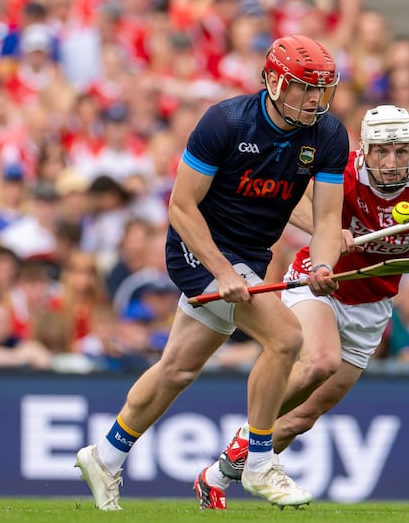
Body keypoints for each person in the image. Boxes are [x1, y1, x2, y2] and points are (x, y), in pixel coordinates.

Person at [74, 34, 347, 511]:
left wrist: (323, 263)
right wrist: (222, 271)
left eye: (321, 89)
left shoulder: (327, 135)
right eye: (305, 88)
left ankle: (105, 455)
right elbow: (181, 206)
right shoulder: (226, 121)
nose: (315, 99)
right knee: (286, 338)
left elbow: (325, 219)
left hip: (251, 256)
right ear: (276, 82)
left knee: (178, 368)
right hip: (199, 248)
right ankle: (259, 461)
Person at [193, 104, 409, 509]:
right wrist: (328, 229)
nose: (391, 162)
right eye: (381, 152)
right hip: (319, 284)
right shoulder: (343, 171)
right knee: (320, 362)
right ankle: (252, 435)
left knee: (300, 419)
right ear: (365, 150)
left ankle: (216, 476)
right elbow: (292, 199)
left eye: (400, 151)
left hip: (373, 305)